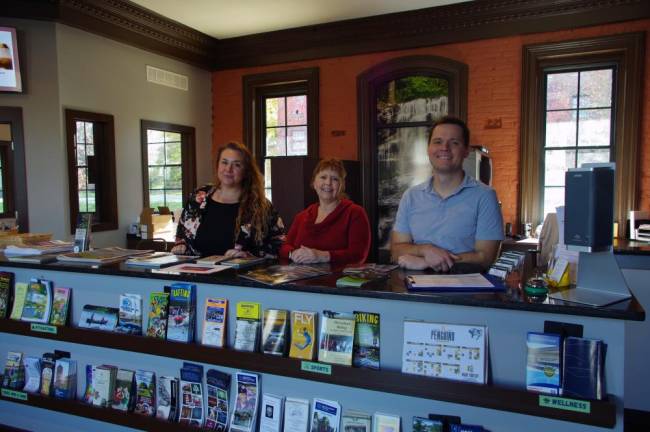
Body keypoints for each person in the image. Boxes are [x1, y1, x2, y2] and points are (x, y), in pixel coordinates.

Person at [391, 116, 503, 271]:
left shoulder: (485, 196)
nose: (444, 147)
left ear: (466, 151)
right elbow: (396, 250)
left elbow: (485, 257)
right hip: (413, 289)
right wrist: (425, 250)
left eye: (454, 143)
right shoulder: (410, 196)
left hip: (466, 291)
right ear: (428, 149)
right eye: (437, 141)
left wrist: (428, 262)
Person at [172, 141, 284, 257]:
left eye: (237, 165)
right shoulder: (199, 197)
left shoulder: (261, 206)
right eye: (224, 162)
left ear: (246, 171)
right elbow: (182, 235)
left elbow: (279, 243)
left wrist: (248, 256)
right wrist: (181, 246)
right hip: (197, 272)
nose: (228, 169)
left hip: (239, 274)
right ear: (217, 165)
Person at [279, 159, 371, 265]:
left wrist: (322, 256)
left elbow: (358, 255)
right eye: (323, 177)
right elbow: (284, 247)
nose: (328, 183)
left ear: (341, 186)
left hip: (337, 280)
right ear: (314, 183)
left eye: (335, 179)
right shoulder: (301, 216)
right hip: (299, 279)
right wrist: (293, 253)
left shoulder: (355, 213)